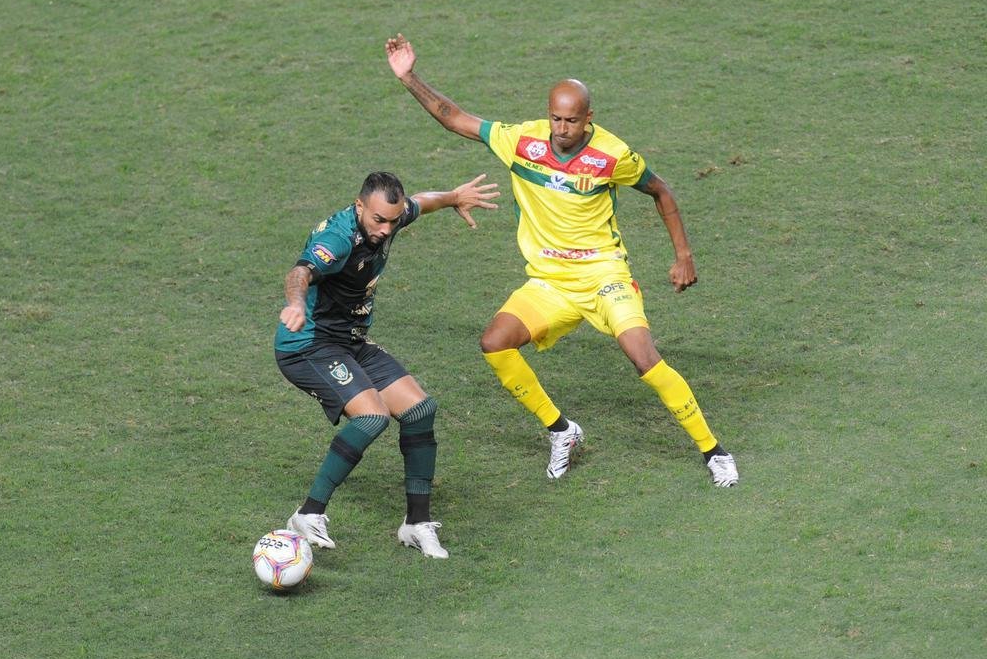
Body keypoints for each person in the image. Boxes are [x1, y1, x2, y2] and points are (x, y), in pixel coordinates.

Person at [385, 34, 739, 487]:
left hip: (603, 275)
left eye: (572, 120)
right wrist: (409, 77)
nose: (562, 128)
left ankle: (714, 451)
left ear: (588, 118)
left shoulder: (612, 155)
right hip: (550, 282)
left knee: (642, 356)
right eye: (556, 118)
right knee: (495, 342)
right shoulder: (520, 142)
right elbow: (453, 118)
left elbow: (660, 190)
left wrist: (683, 255)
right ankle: (561, 431)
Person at [275, 171, 500, 558]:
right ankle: (308, 515)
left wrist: (452, 196)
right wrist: (295, 303)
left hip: (351, 342)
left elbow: (420, 203)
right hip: (308, 344)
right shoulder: (339, 239)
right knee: (371, 417)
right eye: (379, 220)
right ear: (360, 206)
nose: (386, 228)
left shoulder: (389, 217)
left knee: (419, 410)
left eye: (393, 221)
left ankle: (416, 524)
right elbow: (300, 272)